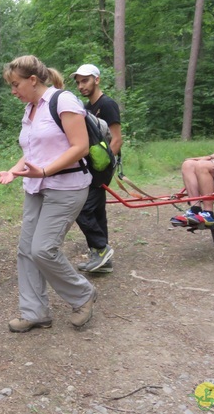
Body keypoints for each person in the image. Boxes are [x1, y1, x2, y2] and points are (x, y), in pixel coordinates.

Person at [0, 55, 97, 333]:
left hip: (67, 187)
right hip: (36, 187)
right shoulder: (30, 109)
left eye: (16, 85)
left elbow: (80, 147)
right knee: (26, 251)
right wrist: (14, 171)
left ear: (33, 80)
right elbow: (30, 152)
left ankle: (82, 294)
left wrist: (45, 171)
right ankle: (35, 311)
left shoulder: (63, 101)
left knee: (42, 249)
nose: (13, 91)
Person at [70, 64, 123, 273]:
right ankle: (102, 259)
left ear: (97, 79)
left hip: (100, 168)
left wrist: (104, 168)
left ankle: (101, 249)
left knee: (82, 208)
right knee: (98, 211)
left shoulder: (107, 104)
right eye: (78, 82)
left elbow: (117, 140)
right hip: (91, 166)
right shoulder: (86, 107)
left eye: (85, 81)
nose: (81, 86)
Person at [170, 97, 214, 228]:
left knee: (202, 166)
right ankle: (195, 211)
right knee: (188, 164)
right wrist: (205, 157)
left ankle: (208, 214)